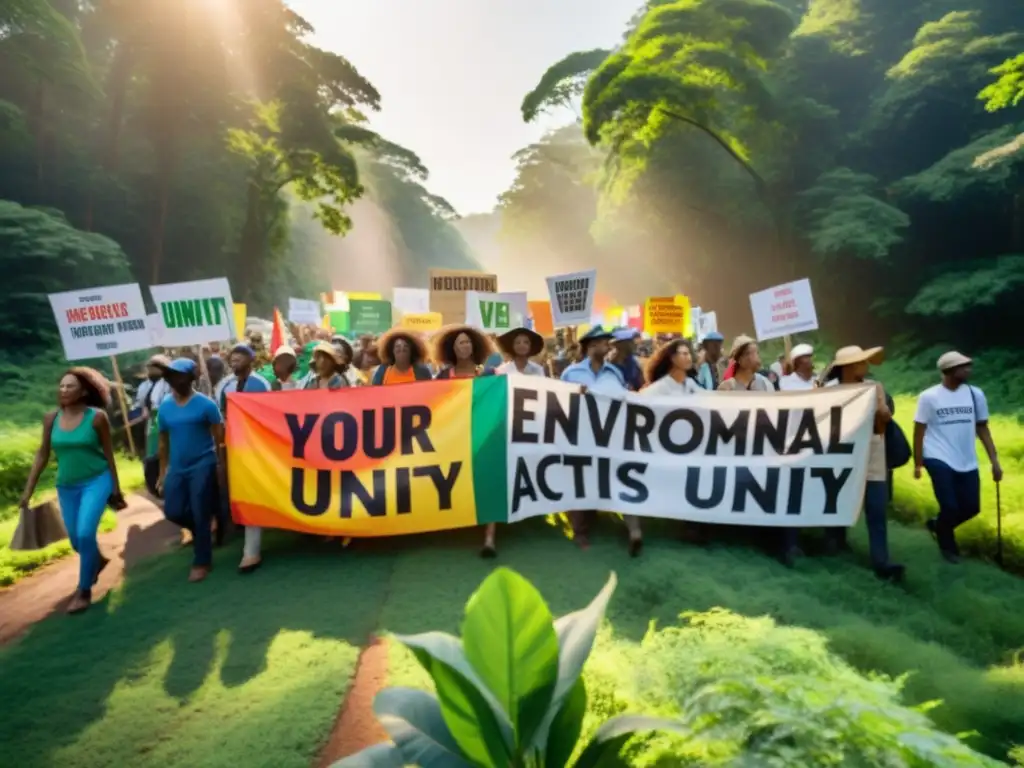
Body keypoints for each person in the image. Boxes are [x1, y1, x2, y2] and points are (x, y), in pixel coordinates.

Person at [19, 368, 125, 614]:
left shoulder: (96, 417)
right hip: (66, 486)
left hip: (97, 480)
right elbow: (42, 454)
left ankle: (84, 590)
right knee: (77, 540)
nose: (64, 390)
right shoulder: (51, 418)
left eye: (70, 386)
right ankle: (96, 560)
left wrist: (116, 488)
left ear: (85, 391)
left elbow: (109, 454)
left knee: (86, 534)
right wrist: (28, 491)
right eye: (62, 386)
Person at [824, 345, 905, 581]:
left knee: (876, 510)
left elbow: (881, 426)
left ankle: (882, 562)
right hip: (839, 457)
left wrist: (882, 410)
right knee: (835, 502)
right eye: (861, 362)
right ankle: (834, 543)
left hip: (872, 458)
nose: (866, 366)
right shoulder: (828, 392)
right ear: (849, 367)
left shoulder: (873, 388)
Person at [913, 351, 1002, 564]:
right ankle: (948, 547)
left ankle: (938, 525)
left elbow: (983, 429)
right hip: (937, 456)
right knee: (950, 506)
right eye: (964, 367)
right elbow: (919, 430)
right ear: (949, 371)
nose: (969, 370)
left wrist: (994, 461)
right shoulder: (929, 397)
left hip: (966, 458)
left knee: (972, 507)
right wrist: (918, 462)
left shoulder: (975, 394)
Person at [560, 326, 642, 555]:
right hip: (581, 437)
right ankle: (580, 531)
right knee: (581, 481)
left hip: (610, 439)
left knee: (619, 478)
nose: (608, 346)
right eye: (603, 342)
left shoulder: (614, 373)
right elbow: (560, 404)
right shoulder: (571, 373)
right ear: (590, 346)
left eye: (608, 342)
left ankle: (634, 531)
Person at [156, 358, 225, 583]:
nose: (174, 380)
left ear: (190, 378)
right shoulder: (165, 406)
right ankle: (202, 530)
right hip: (177, 467)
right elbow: (163, 441)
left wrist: (220, 466)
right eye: (171, 376)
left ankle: (202, 561)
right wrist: (162, 471)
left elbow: (219, 437)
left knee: (199, 510)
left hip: (203, 464)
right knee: (173, 511)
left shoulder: (206, 405)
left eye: (179, 375)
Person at [482, 326, 548, 557]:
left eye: (526, 343)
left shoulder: (539, 370)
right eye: (518, 342)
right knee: (499, 477)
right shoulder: (501, 371)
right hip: (506, 430)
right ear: (512, 346)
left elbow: (547, 398)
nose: (522, 346)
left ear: (531, 348)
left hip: (531, 430)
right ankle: (490, 535)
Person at [133, 354, 172, 458]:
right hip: (149, 424)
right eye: (150, 367)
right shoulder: (144, 385)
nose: (151, 370)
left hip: (164, 421)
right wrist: (143, 410)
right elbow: (140, 403)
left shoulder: (169, 384)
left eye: (154, 367)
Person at [215, 344, 270, 413]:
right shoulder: (225, 383)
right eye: (232, 361)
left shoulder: (262, 383)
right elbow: (220, 408)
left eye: (237, 361)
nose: (234, 364)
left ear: (248, 362)